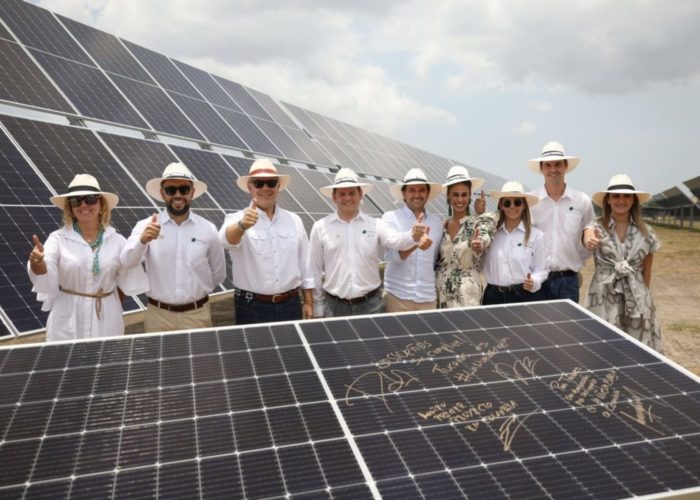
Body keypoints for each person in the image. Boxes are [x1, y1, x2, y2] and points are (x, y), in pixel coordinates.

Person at [28, 174, 147, 341]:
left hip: (107, 316)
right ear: (70, 207)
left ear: (101, 204)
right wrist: (37, 262)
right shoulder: (58, 239)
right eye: (76, 200)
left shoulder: (117, 240)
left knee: (106, 363)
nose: (83, 205)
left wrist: (109, 301)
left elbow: (126, 275)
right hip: (68, 316)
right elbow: (45, 269)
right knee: (66, 364)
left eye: (90, 199)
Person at [121, 162, 226, 332]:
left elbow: (218, 273)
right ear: (163, 193)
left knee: (199, 359)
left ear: (192, 193)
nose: (178, 195)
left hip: (197, 314)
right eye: (171, 190)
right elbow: (127, 261)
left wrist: (197, 291)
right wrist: (142, 240)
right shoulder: (145, 226)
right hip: (158, 316)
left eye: (184, 189)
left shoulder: (208, 229)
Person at [309, 168, 421, 318]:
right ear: (334, 197)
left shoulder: (375, 224)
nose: (347, 198)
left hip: (371, 306)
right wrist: (317, 305)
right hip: (334, 308)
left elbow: (395, 241)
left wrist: (413, 235)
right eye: (342, 194)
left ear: (360, 194)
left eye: (352, 193)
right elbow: (314, 270)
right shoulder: (320, 227)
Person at [219, 158, 313, 324]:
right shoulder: (236, 218)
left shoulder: (294, 220)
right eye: (258, 183)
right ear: (250, 187)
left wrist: (308, 302)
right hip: (251, 307)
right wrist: (242, 225)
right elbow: (225, 241)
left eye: (271, 183)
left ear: (278, 187)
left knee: (292, 350)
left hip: (290, 304)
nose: (265, 188)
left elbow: (305, 265)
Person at [583, 174, 662, 352]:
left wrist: (640, 298)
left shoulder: (646, 232)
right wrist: (588, 239)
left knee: (636, 351)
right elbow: (587, 237)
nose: (621, 200)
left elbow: (646, 272)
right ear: (608, 200)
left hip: (637, 298)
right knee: (603, 348)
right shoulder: (595, 227)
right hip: (603, 297)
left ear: (633, 200)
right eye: (616, 196)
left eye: (626, 196)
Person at [528, 141, 595, 302]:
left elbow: (589, 227)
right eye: (548, 165)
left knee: (568, 327)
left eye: (558, 164)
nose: (553, 170)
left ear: (565, 166)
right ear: (541, 168)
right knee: (536, 327)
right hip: (537, 280)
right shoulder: (530, 201)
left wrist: (577, 258)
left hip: (568, 281)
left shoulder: (582, 200)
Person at [381, 168, 443, 312]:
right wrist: (414, 240)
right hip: (397, 296)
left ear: (428, 194)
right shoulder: (391, 218)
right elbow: (392, 256)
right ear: (404, 193)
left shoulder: (437, 223)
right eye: (412, 190)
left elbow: (433, 261)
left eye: (421, 190)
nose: (417, 194)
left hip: (427, 298)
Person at [435, 165, 495, 308]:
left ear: (470, 196)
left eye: (464, 194)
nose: (460, 199)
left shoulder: (478, 222)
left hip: (467, 295)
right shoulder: (442, 225)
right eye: (455, 194)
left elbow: (485, 236)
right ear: (448, 196)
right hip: (441, 293)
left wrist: (479, 243)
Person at [482, 181, 548, 305]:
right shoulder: (490, 234)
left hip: (524, 296)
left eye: (517, 202)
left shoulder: (536, 236)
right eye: (507, 203)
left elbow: (542, 269)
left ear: (524, 205)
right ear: (501, 205)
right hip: (493, 296)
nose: (512, 206)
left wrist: (533, 281)